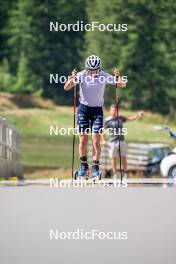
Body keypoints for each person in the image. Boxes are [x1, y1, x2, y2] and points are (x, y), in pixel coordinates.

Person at [64, 55, 126, 178]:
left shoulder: (103, 75)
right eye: (90, 70)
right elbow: (66, 87)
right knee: (83, 140)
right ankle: (83, 167)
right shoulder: (81, 75)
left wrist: (118, 77)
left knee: (96, 140)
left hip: (97, 111)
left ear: (99, 69)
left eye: (95, 70)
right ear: (87, 69)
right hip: (83, 110)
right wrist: (72, 78)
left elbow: (122, 85)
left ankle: (96, 167)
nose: (93, 73)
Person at [102, 104, 144, 178]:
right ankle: (114, 174)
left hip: (121, 140)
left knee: (124, 157)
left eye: (115, 110)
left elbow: (129, 119)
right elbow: (102, 131)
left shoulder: (120, 118)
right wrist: (104, 140)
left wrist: (137, 115)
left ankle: (125, 173)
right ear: (110, 111)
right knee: (113, 158)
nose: (114, 111)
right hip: (112, 141)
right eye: (113, 110)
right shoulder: (107, 120)